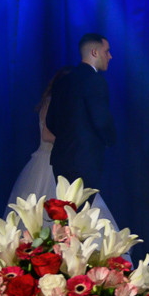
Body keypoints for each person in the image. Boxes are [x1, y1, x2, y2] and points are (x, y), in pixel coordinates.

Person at [6, 67, 117, 225]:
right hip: (47, 163)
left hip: (65, 161)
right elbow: (46, 135)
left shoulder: (67, 104)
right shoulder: (51, 102)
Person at [45, 33, 118, 188]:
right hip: (86, 160)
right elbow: (101, 121)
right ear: (94, 52)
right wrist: (110, 140)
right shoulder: (95, 80)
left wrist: (68, 138)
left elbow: (50, 121)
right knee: (82, 203)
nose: (110, 56)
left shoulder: (62, 81)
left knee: (65, 203)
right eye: (107, 51)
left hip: (61, 160)